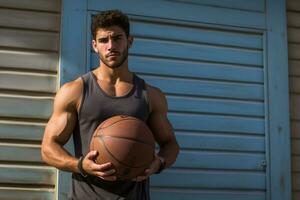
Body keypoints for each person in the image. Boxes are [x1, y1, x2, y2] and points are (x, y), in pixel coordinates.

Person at [41, 9, 179, 200]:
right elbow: (48, 148)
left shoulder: (150, 95)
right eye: (104, 40)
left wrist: (159, 163)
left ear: (129, 41)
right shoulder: (75, 91)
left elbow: (170, 144)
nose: (111, 46)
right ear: (94, 45)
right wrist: (81, 165)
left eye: (117, 38)